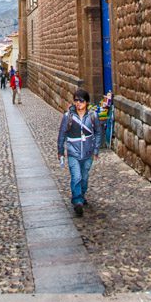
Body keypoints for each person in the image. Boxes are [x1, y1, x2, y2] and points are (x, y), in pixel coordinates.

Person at [57, 88, 101, 217]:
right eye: (76, 100)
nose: (78, 103)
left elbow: (98, 132)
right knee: (76, 176)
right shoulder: (68, 116)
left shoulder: (93, 116)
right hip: (73, 152)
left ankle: (81, 195)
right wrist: (60, 151)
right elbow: (62, 134)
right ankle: (77, 201)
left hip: (88, 153)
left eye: (81, 100)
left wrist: (96, 149)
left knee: (84, 177)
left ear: (86, 102)